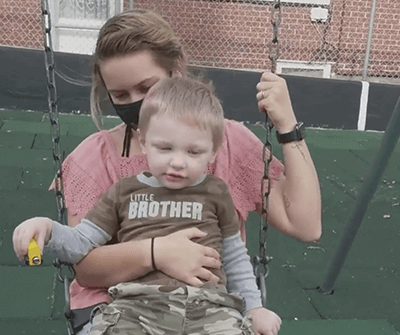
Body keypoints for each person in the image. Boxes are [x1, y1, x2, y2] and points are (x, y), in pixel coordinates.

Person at [29, 8, 321, 335]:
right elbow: (87, 270)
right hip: (117, 308)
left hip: (207, 311)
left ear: (174, 71)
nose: (136, 103)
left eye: (146, 87)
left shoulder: (227, 142)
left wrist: (287, 126)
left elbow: (305, 225)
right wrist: (157, 253)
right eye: (120, 95)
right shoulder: (94, 158)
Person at [14, 76, 282, 334]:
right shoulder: (124, 192)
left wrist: (254, 308)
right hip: (137, 309)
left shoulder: (216, 192)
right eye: (165, 148)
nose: (178, 162)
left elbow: (234, 256)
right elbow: (82, 241)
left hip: (210, 310)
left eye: (193, 152)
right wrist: (47, 229)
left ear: (213, 151)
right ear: (144, 142)